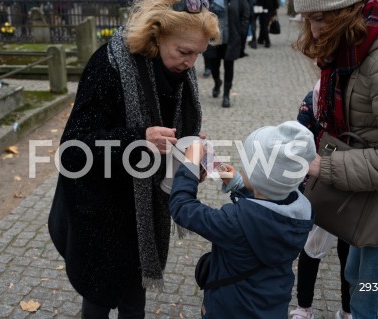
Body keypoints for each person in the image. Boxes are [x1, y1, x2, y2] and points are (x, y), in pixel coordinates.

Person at [47, 0, 219, 317]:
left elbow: (172, 134)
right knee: (99, 296)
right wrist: (138, 138)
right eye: (184, 52)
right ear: (155, 36)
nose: (191, 62)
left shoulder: (179, 72)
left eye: (198, 53)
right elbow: (73, 150)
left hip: (142, 210)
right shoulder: (109, 67)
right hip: (100, 208)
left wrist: (189, 163)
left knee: (133, 298)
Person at [292, 0, 378, 318]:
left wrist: (323, 166)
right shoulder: (358, 48)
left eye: (319, 19)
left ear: (347, 13)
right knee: (360, 286)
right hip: (371, 199)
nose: (314, 31)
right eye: (307, 20)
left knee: (376, 300)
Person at [169, 121, 316, 318]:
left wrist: (190, 164)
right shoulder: (303, 212)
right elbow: (269, 204)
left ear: (256, 175)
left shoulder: (234, 222)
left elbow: (182, 207)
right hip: (272, 307)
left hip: (230, 310)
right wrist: (241, 184)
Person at [290, 86, 352, 319]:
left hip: (354, 186)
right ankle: (303, 306)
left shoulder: (365, 94)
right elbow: (300, 140)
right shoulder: (316, 96)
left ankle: (347, 308)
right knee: (312, 247)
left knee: (349, 253)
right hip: (318, 185)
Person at [204, 0, 251, 108]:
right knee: (214, 66)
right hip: (214, 39)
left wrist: (241, 33)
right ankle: (217, 82)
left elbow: (245, 15)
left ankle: (226, 95)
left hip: (231, 38)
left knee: (229, 66)